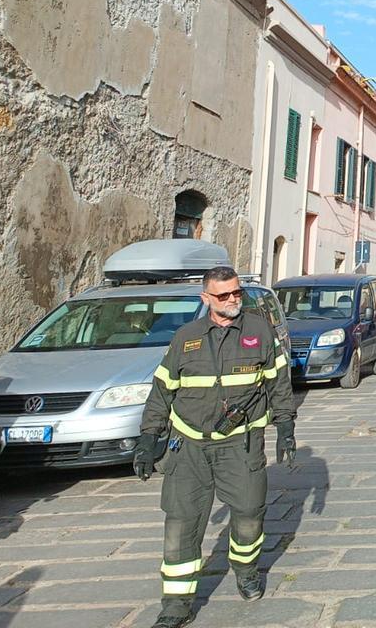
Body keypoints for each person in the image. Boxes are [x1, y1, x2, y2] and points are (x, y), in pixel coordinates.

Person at [134, 265, 296, 628]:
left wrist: (286, 425)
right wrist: (147, 439)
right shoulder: (185, 337)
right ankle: (176, 605)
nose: (233, 300)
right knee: (181, 523)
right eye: (224, 295)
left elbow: (278, 382)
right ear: (206, 298)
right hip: (189, 447)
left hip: (241, 444)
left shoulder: (260, 331)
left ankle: (246, 570)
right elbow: (162, 390)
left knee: (249, 512)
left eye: (237, 293)